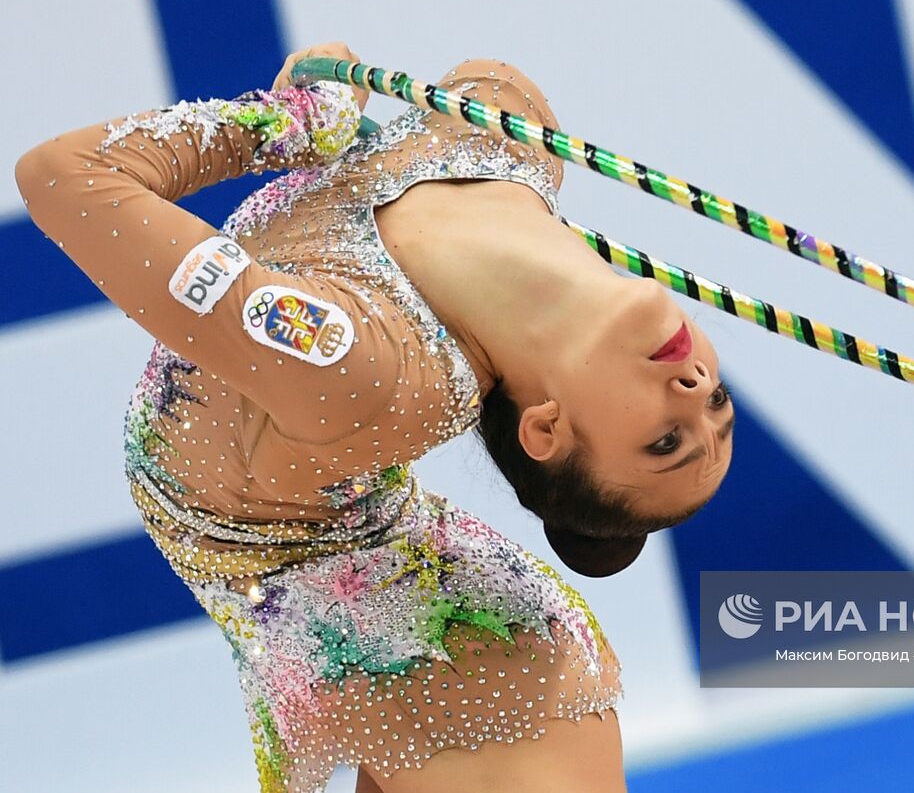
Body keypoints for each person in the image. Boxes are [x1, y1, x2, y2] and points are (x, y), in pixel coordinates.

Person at [14, 42, 736, 793]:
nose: (695, 385)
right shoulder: (507, 122)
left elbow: (61, 177)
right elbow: (470, 80)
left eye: (664, 442)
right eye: (717, 405)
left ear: (546, 430)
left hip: (303, 565)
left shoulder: (364, 369)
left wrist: (285, 124)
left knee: (531, 725)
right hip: (378, 525)